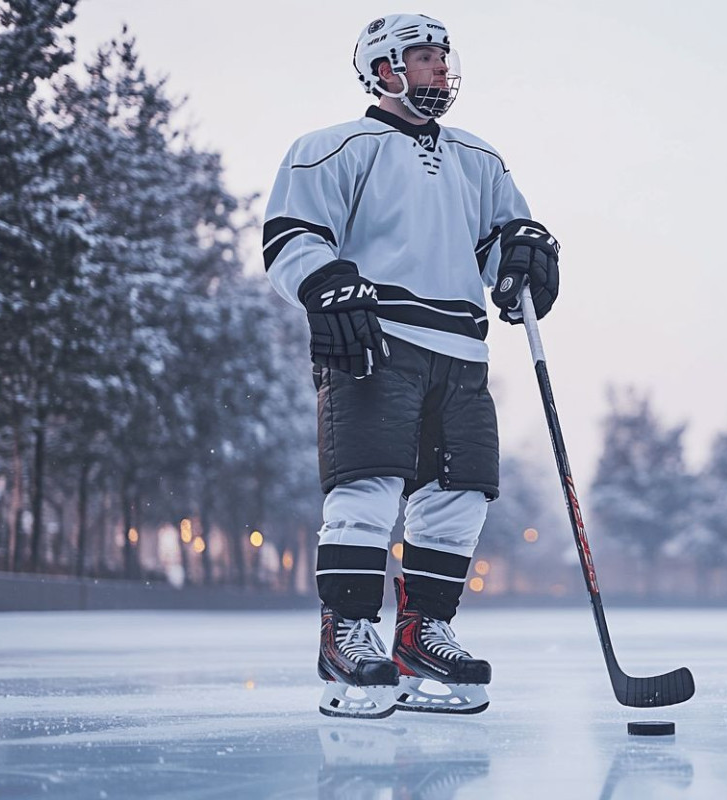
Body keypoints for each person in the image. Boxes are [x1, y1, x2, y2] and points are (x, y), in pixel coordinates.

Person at [262, 12, 560, 718]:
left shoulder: (479, 158)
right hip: (376, 338)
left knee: (461, 495)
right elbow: (291, 234)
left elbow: (499, 240)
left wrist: (522, 254)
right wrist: (323, 281)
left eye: (443, 58)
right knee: (368, 486)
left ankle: (422, 632)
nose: (439, 70)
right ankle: (346, 631)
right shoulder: (334, 148)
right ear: (383, 68)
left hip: (462, 348)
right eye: (424, 57)